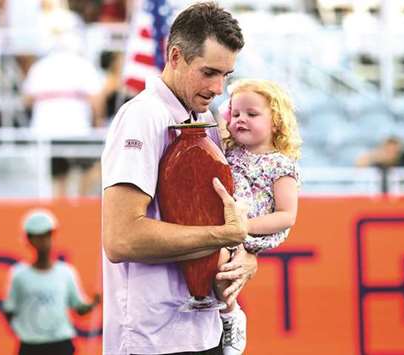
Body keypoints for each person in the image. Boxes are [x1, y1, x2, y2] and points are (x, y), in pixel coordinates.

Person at [101, 2, 257, 354]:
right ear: (175, 56)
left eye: (227, 75)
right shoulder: (143, 116)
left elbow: (221, 226)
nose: (219, 87)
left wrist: (242, 254)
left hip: (203, 331)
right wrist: (224, 235)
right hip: (152, 340)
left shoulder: (206, 118)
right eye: (209, 72)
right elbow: (121, 239)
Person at [216, 79, 302, 354]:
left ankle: (231, 315)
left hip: (254, 228)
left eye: (252, 114)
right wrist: (226, 110)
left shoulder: (280, 164)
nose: (241, 120)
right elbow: (218, 118)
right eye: (236, 114)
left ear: (276, 121)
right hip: (228, 224)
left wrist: (243, 227)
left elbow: (286, 215)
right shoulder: (230, 149)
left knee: (223, 266)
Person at [3, 209, 101, 355]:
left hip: (61, 344)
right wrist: (26, 332)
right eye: (38, 237)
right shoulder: (19, 275)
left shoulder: (66, 272)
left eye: (47, 235)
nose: (44, 241)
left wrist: (93, 303)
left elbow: (78, 308)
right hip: (31, 346)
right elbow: (9, 310)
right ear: (29, 240)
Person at [22, 30, 104, 197]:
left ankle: (62, 205)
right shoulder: (83, 65)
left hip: (46, 130)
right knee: (92, 167)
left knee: (58, 176)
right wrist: (97, 123)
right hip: (78, 129)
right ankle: (80, 201)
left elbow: (27, 99)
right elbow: (96, 99)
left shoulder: (40, 67)